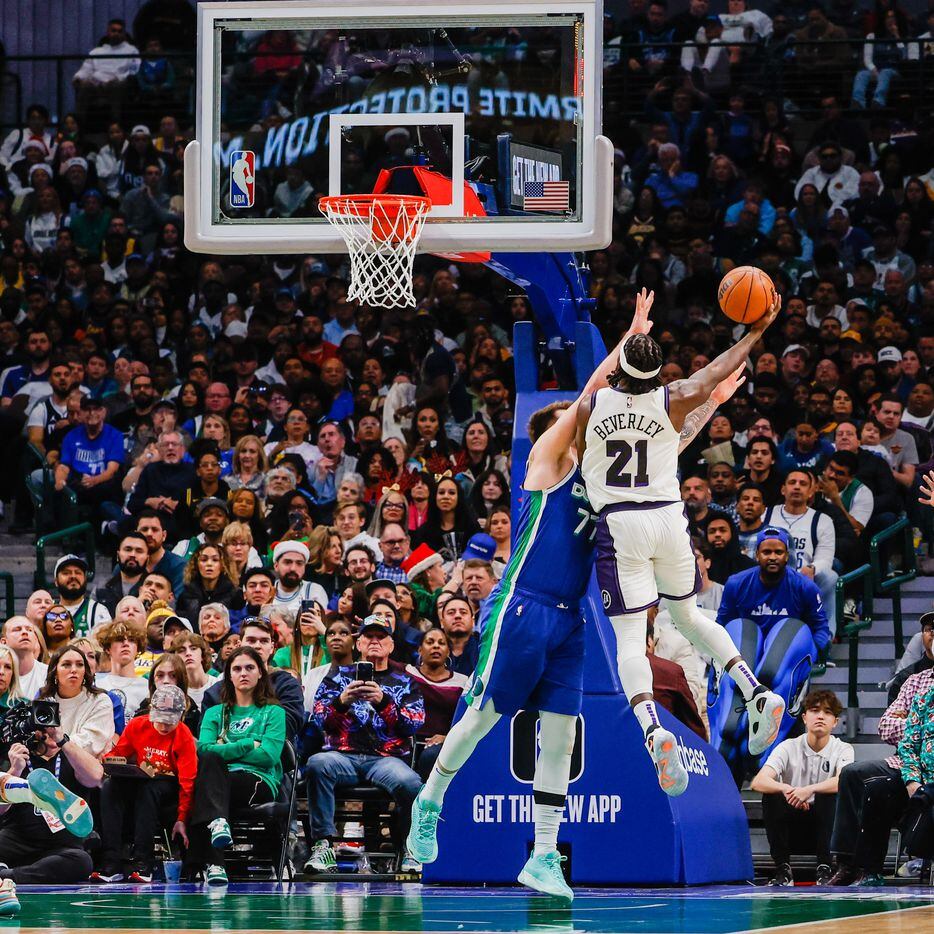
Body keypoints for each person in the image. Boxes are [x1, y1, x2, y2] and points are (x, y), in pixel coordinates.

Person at [408, 291, 742, 900]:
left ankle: (542, 855)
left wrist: (707, 404)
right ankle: (429, 804)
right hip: (524, 604)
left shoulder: (601, 472)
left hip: (568, 619)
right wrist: (629, 336)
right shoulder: (545, 463)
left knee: (561, 731)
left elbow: (661, 452)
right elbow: (590, 395)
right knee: (484, 715)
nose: (591, 427)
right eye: (580, 427)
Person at [576, 293, 785, 800]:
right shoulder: (672, 400)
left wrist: (631, 331)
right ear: (657, 376)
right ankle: (754, 691)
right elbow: (711, 373)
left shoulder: (591, 405)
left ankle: (653, 730)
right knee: (689, 618)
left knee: (629, 638)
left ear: (619, 370)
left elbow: (595, 398)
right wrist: (756, 333)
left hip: (621, 524)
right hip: (670, 520)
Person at [304, 615, 424, 875]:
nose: (374, 641)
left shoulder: (406, 680)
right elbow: (320, 719)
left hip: (386, 759)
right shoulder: (338, 677)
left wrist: (383, 702)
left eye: (381, 637)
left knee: (412, 783)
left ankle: (410, 849)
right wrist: (342, 701)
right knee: (316, 764)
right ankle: (323, 846)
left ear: (391, 645)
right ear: (358, 644)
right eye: (369, 636)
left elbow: (413, 724)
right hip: (342, 757)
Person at [190, 646, 286, 886]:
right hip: (220, 781)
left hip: (257, 780)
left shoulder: (274, 712)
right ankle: (218, 827)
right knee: (210, 766)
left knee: (208, 784)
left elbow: (269, 757)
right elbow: (202, 751)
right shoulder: (215, 713)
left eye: (249, 667)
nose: (243, 673)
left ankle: (214, 863)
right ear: (229, 676)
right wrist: (247, 745)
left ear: (261, 673)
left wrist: (225, 749)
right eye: (237, 668)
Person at [750, 689, 853, 887]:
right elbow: (759, 781)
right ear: (805, 717)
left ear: (835, 722)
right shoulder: (788, 746)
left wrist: (809, 790)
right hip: (791, 828)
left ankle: (825, 868)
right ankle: (782, 870)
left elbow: (843, 781)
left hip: (826, 831)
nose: (821, 716)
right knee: (772, 795)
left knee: (829, 795)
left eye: (828, 712)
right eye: (815, 710)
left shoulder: (843, 748)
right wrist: (787, 790)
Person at [98, 684, 197, 883]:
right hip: (141, 778)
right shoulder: (137, 725)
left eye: (169, 722)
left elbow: (188, 780)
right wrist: (108, 760)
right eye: (159, 720)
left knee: (148, 789)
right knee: (110, 787)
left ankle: (143, 862)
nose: (163, 726)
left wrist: (182, 817)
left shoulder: (183, 736)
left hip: (167, 785)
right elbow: (120, 753)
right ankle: (111, 862)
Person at [764, 469, 839, 637]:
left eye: (803, 484)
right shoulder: (767, 515)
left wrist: (812, 568)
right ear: (783, 489)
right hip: (770, 574)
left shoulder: (822, 520)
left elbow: (826, 558)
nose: (797, 487)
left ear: (812, 491)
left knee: (830, 576)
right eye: (792, 483)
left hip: (804, 578)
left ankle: (824, 638)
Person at [94, 619, 150, 720]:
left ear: (138, 648)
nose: (126, 644)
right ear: (108, 648)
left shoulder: (147, 688)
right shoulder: (97, 685)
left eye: (131, 640)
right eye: (119, 639)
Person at [0, 617, 48, 699]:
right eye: (17, 629)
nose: (24, 632)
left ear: (35, 639)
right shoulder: (2, 673)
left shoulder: (49, 674)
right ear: (3, 642)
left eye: (29, 630)